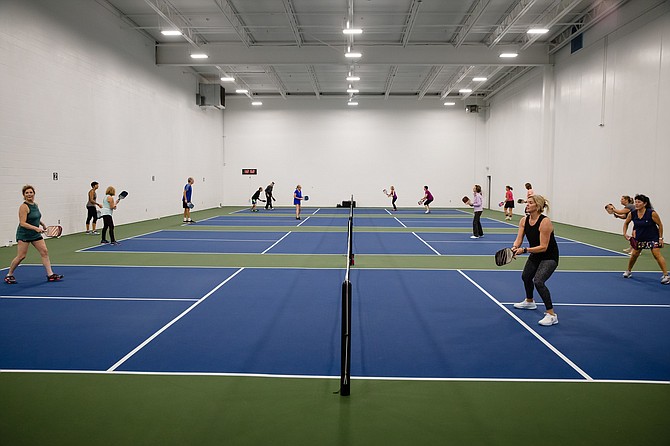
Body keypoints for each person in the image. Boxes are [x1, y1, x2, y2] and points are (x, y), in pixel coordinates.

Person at [511, 195, 560, 326]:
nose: (527, 204)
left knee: (538, 281)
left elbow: (544, 247)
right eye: (527, 202)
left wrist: (525, 250)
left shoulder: (545, 222)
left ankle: (551, 314)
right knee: (526, 277)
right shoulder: (523, 220)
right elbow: (519, 239)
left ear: (537, 206)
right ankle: (529, 301)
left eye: (530, 203)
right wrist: (515, 247)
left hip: (549, 256)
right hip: (535, 254)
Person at [4, 185, 63, 284]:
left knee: (44, 252)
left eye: (31, 192)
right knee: (21, 256)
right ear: (24, 195)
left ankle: (50, 274)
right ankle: (9, 275)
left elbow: (35, 217)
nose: (29, 194)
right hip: (24, 234)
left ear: (34, 193)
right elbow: (23, 223)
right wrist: (36, 228)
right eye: (26, 193)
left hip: (35, 234)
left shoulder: (35, 205)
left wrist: (42, 223)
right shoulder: (23, 207)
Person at [622, 194, 668, 284]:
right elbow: (626, 223)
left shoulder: (652, 213)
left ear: (645, 203)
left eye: (639, 202)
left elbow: (660, 225)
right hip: (640, 238)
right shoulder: (633, 213)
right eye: (636, 202)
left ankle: (666, 275)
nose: (637, 204)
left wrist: (660, 238)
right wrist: (624, 233)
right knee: (634, 254)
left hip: (652, 237)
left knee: (656, 254)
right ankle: (628, 271)